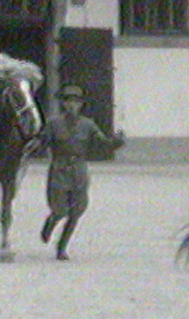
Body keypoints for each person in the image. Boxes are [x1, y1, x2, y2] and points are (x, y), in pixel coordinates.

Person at [37, 84, 125, 260]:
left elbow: (103, 143)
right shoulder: (54, 124)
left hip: (79, 171)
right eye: (68, 101)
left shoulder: (88, 125)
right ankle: (51, 222)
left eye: (76, 102)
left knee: (76, 211)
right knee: (60, 210)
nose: (72, 105)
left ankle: (61, 248)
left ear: (81, 105)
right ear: (63, 104)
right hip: (59, 170)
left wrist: (116, 142)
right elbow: (41, 142)